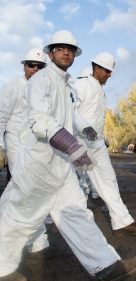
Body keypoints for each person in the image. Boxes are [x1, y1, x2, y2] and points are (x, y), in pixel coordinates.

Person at [0, 30, 136, 281]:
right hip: (38, 164)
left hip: (60, 165)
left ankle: (106, 265)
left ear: (74, 55)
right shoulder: (41, 80)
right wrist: (71, 144)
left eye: (70, 49)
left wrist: (84, 129)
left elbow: (70, 112)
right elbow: (40, 120)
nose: (66, 52)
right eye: (60, 48)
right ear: (51, 52)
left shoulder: (66, 84)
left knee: (77, 213)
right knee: (22, 216)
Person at [73, 52, 136, 236]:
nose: (110, 75)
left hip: (96, 145)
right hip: (79, 144)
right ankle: (56, 223)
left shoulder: (98, 88)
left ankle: (121, 222)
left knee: (108, 181)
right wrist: (84, 127)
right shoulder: (82, 85)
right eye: (107, 70)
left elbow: (95, 117)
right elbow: (70, 110)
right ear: (96, 68)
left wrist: (101, 137)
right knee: (72, 183)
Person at [0, 48, 56, 259]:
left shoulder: (44, 90)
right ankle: (37, 241)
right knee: (27, 187)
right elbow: (0, 117)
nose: (35, 69)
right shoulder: (11, 88)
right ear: (24, 65)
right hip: (15, 144)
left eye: (39, 66)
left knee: (20, 188)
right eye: (31, 65)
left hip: (36, 146)